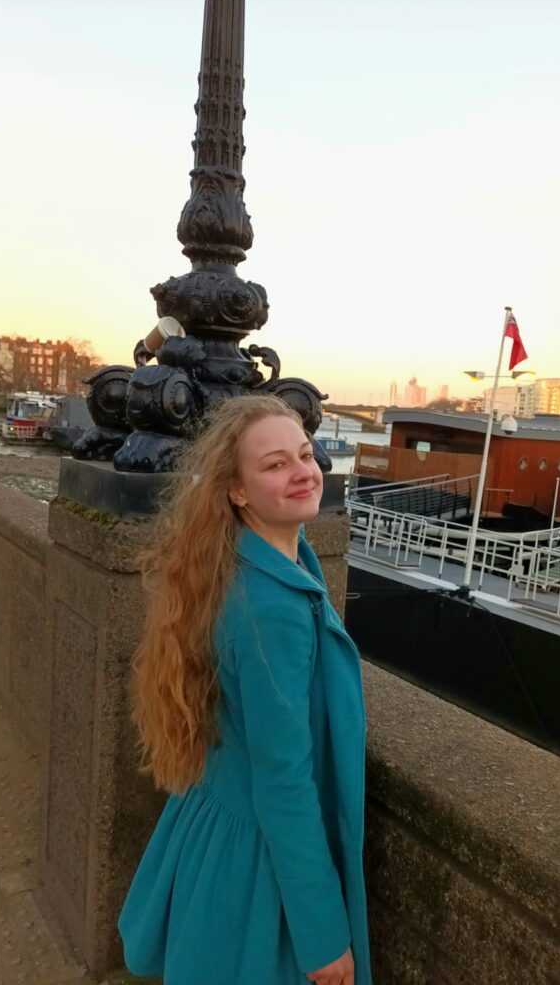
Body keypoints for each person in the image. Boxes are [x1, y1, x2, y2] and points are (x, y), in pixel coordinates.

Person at [118, 394, 372, 985]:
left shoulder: (248, 561)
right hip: (257, 871)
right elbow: (284, 780)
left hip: (219, 833)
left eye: (305, 454)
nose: (304, 472)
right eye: (275, 464)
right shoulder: (271, 609)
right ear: (237, 491)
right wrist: (322, 936)